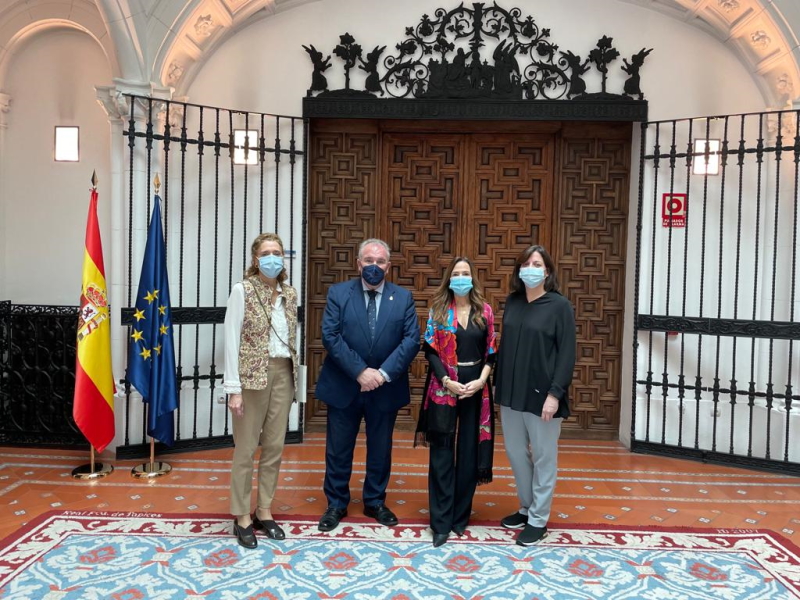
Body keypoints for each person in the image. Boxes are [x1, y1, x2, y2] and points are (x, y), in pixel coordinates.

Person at [315, 238, 420, 532]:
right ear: (358, 263)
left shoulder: (403, 297)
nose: (375, 266)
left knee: (380, 448)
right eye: (369, 261)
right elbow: (330, 336)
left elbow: (411, 339)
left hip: (385, 387)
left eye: (381, 261)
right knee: (338, 449)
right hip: (344, 385)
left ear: (389, 265)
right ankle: (336, 503)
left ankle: (374, 501)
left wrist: (382, 374)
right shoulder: (339, 293)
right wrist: (361, 372)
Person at [494, 244, 576, 546]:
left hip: (543, 397)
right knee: (516, 454)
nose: (531, 268)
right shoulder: (513, 302)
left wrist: (555, 394)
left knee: (544, 457)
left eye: (537, 264)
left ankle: (539, 519)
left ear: (548, 271)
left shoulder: (559, 306)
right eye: (526, 263)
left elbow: (567, 354)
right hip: (511, 394)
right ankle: (526, 508)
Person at [223, 233, 299, 549]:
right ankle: (241, 515)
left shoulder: (289, 294)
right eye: (266, 253)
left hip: (283, 372)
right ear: (256, 259)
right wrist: (233, 389)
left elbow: (292, 337)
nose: (272, 258)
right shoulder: (243, 290)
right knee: (245, 448)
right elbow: (231, 338)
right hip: (251, 376)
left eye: (277, 253)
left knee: (275, 447)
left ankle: (263, 509)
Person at [415, 257, 497, 547]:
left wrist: (482, 379)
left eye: (466, 273)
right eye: (456, 273)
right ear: (449, 278)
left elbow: (491, 352)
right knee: (441, 453)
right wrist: (447, 381)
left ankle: (460, 516)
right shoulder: (438, 310)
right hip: (443, 387)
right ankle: (440, 522)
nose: (461, 278)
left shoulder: (484, 311)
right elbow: (431, 351)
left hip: (477, 387)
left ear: (473, 278)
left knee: (468, 453)